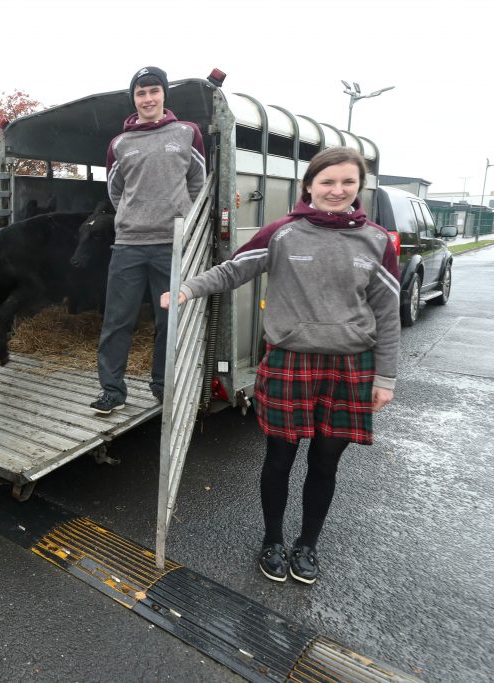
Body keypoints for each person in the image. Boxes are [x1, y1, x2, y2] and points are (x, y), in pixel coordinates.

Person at [160, 146, 400, 585]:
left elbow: (387, 313)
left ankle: (307, 545)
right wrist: (188, 289)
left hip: (350, 367)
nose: (337, 190)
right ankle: (272, 540)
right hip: (290, 361)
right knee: (279, 459)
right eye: (327, 181)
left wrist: (385, 377)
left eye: (348, 182)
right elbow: (233, 270)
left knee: (325, 463)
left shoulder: (377, 240)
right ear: (309, 185)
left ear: (359, 187)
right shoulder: (282, 233)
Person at [90, 66, 206, 415]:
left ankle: (162, 385)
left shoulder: (187, 133)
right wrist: (134, 214)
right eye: (141, 93)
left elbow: (198, 182)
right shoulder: (120, 144)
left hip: (171, 244)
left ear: (164, 94)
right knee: (117, 320)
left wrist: (181, 216)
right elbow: (115, 191)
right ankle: (112, 391)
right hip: (128, 244)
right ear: (134, 99)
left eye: (154, 91)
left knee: (168, 320)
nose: (148, 98)